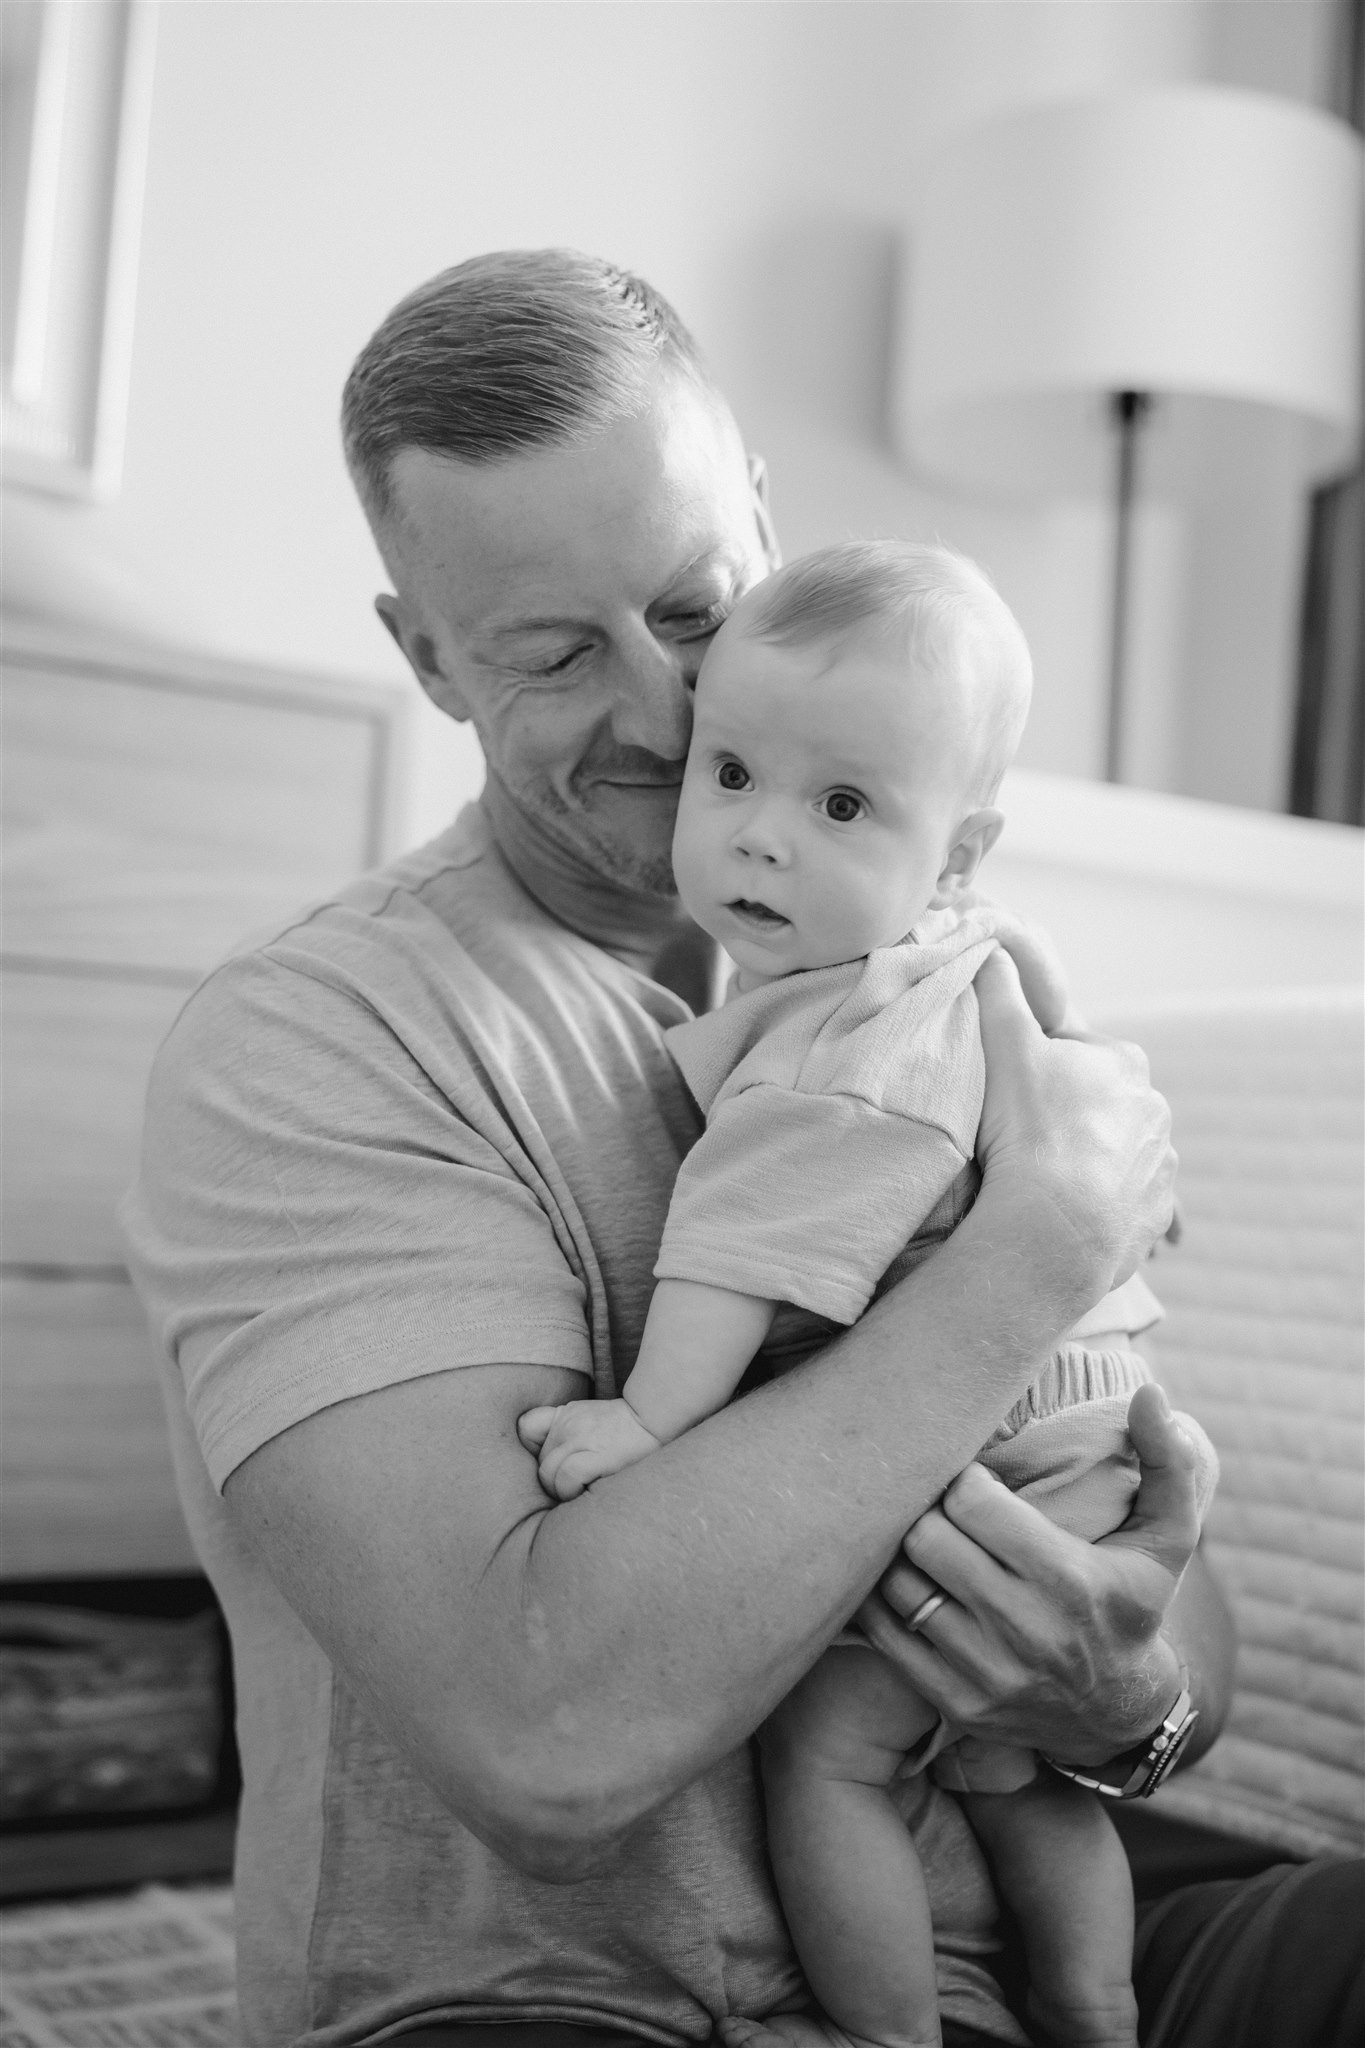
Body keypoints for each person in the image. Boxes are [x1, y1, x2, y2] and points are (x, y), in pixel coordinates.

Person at [120, 250, 1353, 2048]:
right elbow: (551, 1738)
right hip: (552, 2005)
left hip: (1010, 1959)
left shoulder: (948, 967)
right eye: (553, 654)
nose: (663, 712)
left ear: (765, 524)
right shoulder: (314, 1047)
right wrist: (1027, 1249)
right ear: (427, 662)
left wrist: (1125, 1694)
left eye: (695, 607)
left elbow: (1147, 1571)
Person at [517, 540, 1219, 2048]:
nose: (762, 841)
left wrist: (647, 1426)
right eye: (732, 776)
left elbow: (745, 1253)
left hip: (1004, 1433)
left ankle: (891, 2035)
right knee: (1009, 1763)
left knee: (836, 1755)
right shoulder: (965, 958)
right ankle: (1093, 2004)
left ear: (956, 853)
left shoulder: (850, 1040)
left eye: (839, 806)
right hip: (1073, 1418)